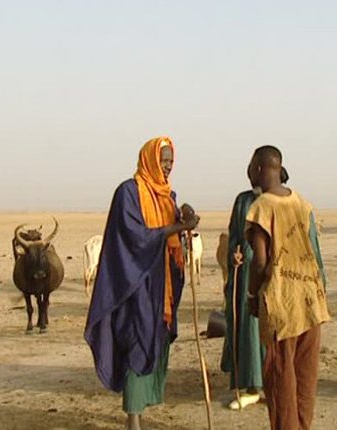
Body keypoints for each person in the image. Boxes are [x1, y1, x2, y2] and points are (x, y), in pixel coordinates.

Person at [84, 136, 200, 430]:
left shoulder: (166, 196)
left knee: (155, 341)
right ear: (149, 159)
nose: (167, 167)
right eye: (163, 161)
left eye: (171, 161)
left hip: (161, 287)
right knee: (137, 343)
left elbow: (170, 232)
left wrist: (183, 212)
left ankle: (141, 407)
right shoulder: (129, 192)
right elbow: (136, 237)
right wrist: (178, 226)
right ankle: (132, 419)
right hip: (134, 285)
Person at [245, 145, 330, 430]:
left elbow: (260, 262)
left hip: (282, 302)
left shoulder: (261, 207)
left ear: (258, 168)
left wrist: (252, 294)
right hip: (310, 299)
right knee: (305, 377)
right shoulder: (301, 202)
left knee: (281, 377)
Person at [219, 163, 289, 410]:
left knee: (276, 332)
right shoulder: (243, 201)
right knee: (249, 329)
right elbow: (234, 235)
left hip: (276, 278)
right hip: (247, 276)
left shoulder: (285, 201)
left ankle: (275, 387)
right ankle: (251, 386)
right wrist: (234, 255)